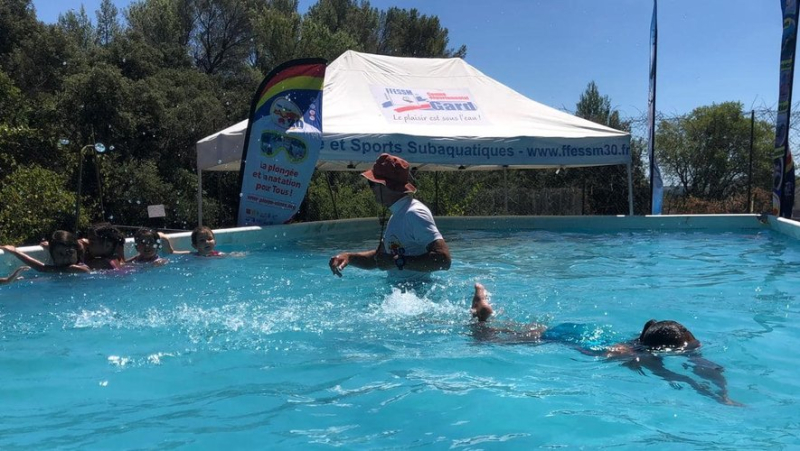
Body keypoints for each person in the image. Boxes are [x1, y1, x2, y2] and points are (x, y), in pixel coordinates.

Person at [469, 283, 741, 406]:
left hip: (579, 330)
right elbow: (678, 375)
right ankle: (481, 315)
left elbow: (704, 366)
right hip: (568, 339)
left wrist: (721, 390)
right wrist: (720, 397)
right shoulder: (641, 354)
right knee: (485, 338)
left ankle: (482, 305)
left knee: (523, 329)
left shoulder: (645, 340)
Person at [329, 153, 451, 277]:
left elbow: (444, 259)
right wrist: (349, 257)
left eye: (372, 184)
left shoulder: (414, 213)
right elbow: (379, 260)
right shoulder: (397, 214)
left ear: (385, 186)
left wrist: (397, 261)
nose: (371, 189)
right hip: (401, 294)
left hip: (417, 294)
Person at [1, 230, 90, 273]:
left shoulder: (79, 269)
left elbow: (41, 268)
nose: (65, 258)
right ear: (52, 254)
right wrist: (49, 247)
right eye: (60, 254)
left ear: (76, 252)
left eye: (69, 253)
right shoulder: (61, 266)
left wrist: (16, 252)